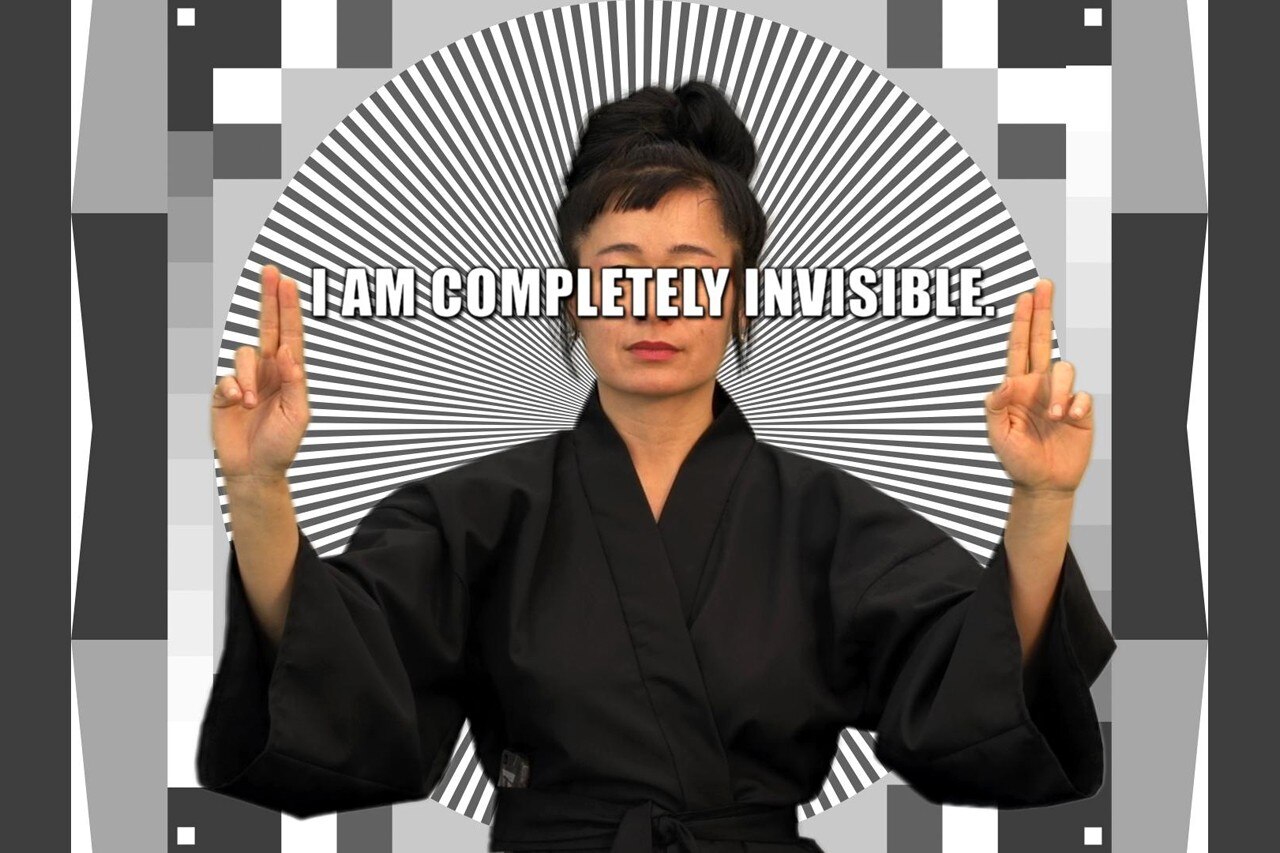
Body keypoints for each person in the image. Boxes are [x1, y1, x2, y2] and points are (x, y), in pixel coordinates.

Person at [197, 81, 1115, 853]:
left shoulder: (826, 520)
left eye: (691, 270)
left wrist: (1041, 498)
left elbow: (975, 698)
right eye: (620, 271)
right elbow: (342, 682)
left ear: (741, 297)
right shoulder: (475, 515)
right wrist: (258, 484)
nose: (654, 305)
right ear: (571, 294)